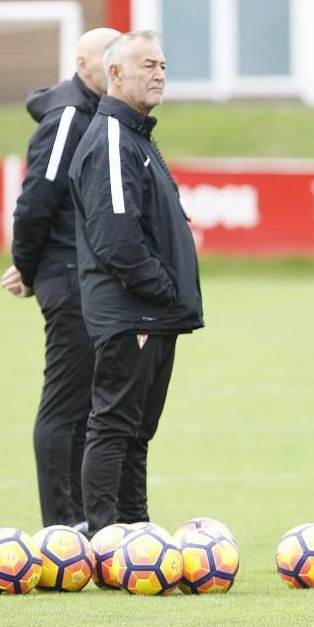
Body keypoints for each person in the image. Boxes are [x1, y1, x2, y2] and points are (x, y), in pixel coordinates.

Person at [68, 30, 203, 536]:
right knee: (113, 425)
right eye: (147, 65)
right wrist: (163, 290)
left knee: (137, 431)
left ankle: (133, 527)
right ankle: (106, 537)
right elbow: (117, 238)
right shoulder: (110, 138)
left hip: (151, 311)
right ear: (116, 74)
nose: (159, 74)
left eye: (163, 65)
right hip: (134, 311)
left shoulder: (135, 135)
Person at [0, 27, 120, 532]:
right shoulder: (69, 116)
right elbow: (35, 201)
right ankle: (62, 527)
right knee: (66, 402)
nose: (119, 67)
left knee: (88, 402)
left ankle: (84, 522)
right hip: (66, 275)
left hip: (83, 275)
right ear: (84, 63)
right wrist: (27, 267)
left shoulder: (97, 113)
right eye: (110, 57)